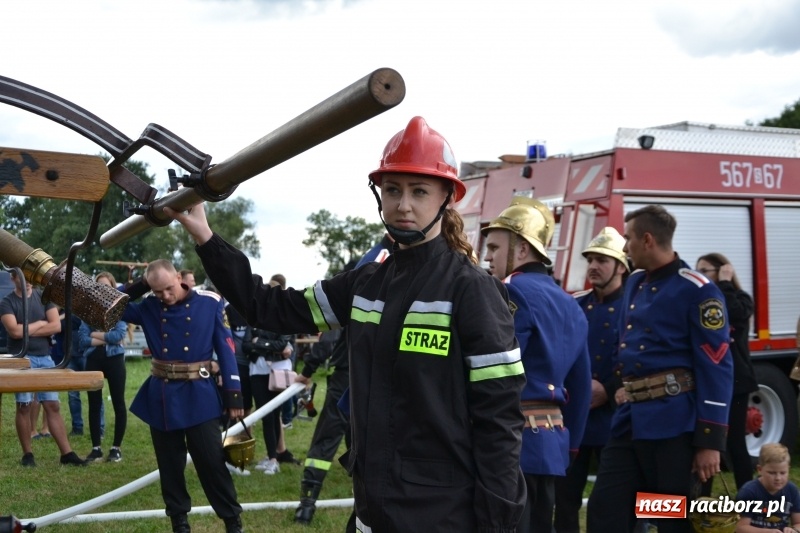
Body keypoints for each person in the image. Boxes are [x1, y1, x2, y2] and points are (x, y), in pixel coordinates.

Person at [168, 116, 527, 532]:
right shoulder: (365, 283)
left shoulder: (472, 290)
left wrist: (498, 522)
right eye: (392, 190)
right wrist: (205, 236)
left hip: (441, 515)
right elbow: (268, 308)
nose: (403, 205)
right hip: (372, 510)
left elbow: (499, 420)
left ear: (447, 198)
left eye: (419, 191)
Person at [586, 204, 735, 533]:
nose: (625, 247)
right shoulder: (635, 282)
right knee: (606, 509)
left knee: (668, 517)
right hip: (630, 422)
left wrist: (710, 440)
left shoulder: (697, 289)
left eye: (628, 238)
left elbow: (716, 366)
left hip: (674, 426)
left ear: (648, 240)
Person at [482, 196, 591, 532]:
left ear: (522, 249)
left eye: (494, 247)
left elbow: (493, 374)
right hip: (551, 446)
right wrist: (570, 446)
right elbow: (581, 386)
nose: (486, 256)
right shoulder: (571, 303)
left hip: (506, 446)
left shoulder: (506, 291)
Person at [121, 259, 244, 533]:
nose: (165, 296)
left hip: (199, 394)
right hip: (162, 395)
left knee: (212, 463)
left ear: (179, 277)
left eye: (169, 288)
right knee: (170, 466)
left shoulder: (210, 303)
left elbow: (226, 349)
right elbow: (109, 303)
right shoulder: (148, 307)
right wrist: (142, 284)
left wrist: (234, 393)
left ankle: (232, 521)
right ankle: (179, 522)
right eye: (158, 291)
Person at [294, 240, 392, 525]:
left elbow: (327, 341)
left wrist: (308, 370)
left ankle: (306, 505)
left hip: (345, 379)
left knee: (326, 440)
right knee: (367, 441)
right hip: (376, 379)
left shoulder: (353, 296)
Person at [553, 227, 629, 533]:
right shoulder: (576, 304)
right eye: (590, 260)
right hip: (576, 417)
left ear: (621, 267)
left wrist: (609, 389)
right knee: (564, 497)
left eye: (602, 260)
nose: (594, 266)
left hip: (616, 418)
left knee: (617, 501)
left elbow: (642, 356)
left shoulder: (634, 305)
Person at [0, 269, 87, 467]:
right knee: (24, 405)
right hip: (22, 359)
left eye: (30, 276)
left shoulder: (43, 298)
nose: (28, 280)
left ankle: (67, 453)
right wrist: (40, 323)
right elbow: (14, 332)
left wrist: (27, 329)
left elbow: (56, 326)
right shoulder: (7, 302)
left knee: (52, 405)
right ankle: (28, 454)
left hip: (45, 358)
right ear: (13, 278)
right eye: (23, 276)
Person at [696, 253, 758, 495]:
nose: (700, 275)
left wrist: (724, 283)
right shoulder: (698, 300)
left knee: (734, 442)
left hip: (737, 381)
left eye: (705, 271)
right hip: (709, 381)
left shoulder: (739, 299)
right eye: (697, 270)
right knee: (707, 440)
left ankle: (748, 500)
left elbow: (732, 312)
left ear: (723, 272)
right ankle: (702, 499)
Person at [79, 271, 128, 463]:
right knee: (94, 404)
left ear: (113, 288)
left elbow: (119, 336)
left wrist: (95, 334)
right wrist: (106, 337)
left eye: (106, 286)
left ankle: (116, 448)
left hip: (114, 359)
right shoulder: (88, 310)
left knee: (118, 403)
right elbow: (82, 340)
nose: (103, 290)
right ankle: (96, 448)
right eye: (99, 286)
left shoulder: (119, 309)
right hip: (94, 359)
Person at [242, 324, 295, 475]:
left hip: (278, 371)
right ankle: (272, 456)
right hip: (257, 372)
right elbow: (246, 346)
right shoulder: (253, 322)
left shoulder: (282, 320)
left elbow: (282, 344)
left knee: (274, 414)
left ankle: (273, 458)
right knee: (265, 415)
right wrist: (271, 347)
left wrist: (258, 343)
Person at [735, 443, 800, 532]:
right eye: (772, 473)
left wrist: (793, 530)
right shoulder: (749, 492)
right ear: (760, 470)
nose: (778, 478)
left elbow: (798, 523)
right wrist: (768, 532)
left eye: (783, 473)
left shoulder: (792, 490)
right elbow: (741, 528)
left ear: (788, 469)